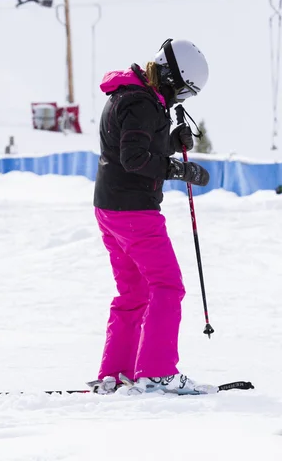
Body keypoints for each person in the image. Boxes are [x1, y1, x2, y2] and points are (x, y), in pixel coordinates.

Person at [91, 38, 211, 396]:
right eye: (185, 92)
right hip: (134, 211)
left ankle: (116, 372)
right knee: (167, 285)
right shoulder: (141, 103)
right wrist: (179, 170)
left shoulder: (130, 95)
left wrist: (172, 143)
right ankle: (157, 371)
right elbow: (135, 159)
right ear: (174, 78)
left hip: (110, 207)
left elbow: (134, 144)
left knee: (134, 291)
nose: (181, 100)